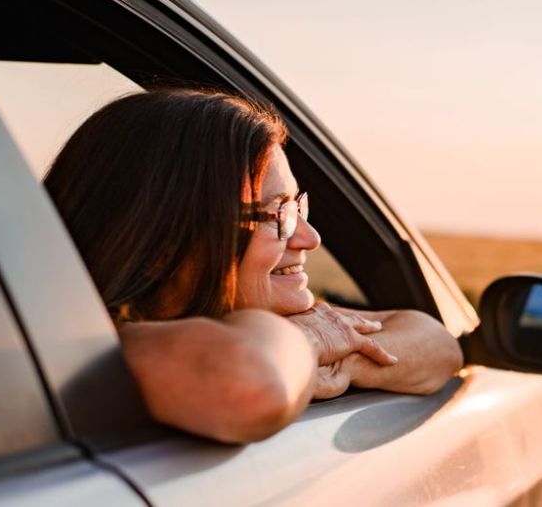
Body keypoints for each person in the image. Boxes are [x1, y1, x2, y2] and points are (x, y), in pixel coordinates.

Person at [43, 88, 463, 444]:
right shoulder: (106, 346)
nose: (309, 238)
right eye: (277, 214)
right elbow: (250, 383)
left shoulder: (257, 319)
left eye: (298, 207)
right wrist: (312, 340)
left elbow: (437, 344)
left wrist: (337, 359)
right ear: (162, 236)